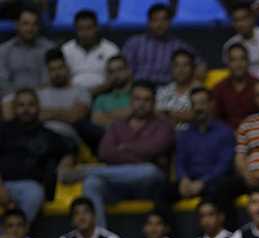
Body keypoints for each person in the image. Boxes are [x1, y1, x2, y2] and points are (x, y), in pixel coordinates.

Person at [82, 81, 174, 227]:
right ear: (131, 101)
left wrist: (123, 148)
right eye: (137, 99)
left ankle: (91, 171)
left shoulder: (163, 126)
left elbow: (154, 149)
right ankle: (102, 236)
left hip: (148, 186)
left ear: (154, 102)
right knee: (91, 183)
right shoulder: (117, 125)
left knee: (149, 170)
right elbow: (105, 152)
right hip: (118, 185)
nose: (141, 104)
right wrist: (136, 153)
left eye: (146, 100)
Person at [0, 88, 76, 224]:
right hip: (2, 182)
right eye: (21, 105)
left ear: (38, 107)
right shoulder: (3, 130)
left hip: (28, 187)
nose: (26, 109)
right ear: (14, 108)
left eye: (30, 105)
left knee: (35, 193)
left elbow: (70, 148)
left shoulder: (47, 135)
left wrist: (66, 162)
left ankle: (11, 236)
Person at [174, 87, 235, 201]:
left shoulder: (225, 132)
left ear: (211, 104)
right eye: (194, 104)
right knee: (162, 191)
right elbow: (180, 160)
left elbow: (224, 165)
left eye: (202, 103)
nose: (198, 108)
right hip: (190, 181)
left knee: (219, 189)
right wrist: (183, 179)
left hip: (213, 181)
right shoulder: (185, 134)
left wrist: (203, 182)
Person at [121, 3, 200, 86]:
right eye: (155, 20)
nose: (160, 24)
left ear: (170, 22)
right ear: (149, 22)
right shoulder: (135, 43)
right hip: (139, 90)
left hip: (166, 92)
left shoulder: (179, 46)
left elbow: (199, 64)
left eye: (164, 20)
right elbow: (122, 69)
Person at [61, 9, 120, 95]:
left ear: (97, 28)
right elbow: (61, 78)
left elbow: (115, 78)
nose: (85, 33)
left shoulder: (111, 49)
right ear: (75, 29)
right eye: (80, 29)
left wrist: (91, 94)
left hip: (103, 94)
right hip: (72, 96)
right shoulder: (66, 49)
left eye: (89, 28)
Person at [0, 6, 53, 98]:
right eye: (25, 24)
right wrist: (20, 97)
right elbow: (3, 82)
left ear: (39, 27)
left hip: (42, 97)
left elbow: (49, 81)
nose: (30, 29)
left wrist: (33, 97)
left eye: (34, 24)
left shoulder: (49, 49)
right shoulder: (4, 50)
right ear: (17, 25)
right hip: (12, 99)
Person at [212, 43, 258, 131]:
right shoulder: (219, 89)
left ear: (248, 61)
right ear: (227, 63)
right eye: (233, 60)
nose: (238, 64)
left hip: (255, 136)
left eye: (242, 59)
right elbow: (215, 120)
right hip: (227, 138)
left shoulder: (258, 86)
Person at [155, 49, 200, 129]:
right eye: (176, 65)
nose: (180, 69)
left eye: (185, 65)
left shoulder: (201, 91)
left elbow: (198, 115)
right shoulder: (162, 91)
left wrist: (167, 113)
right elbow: (155, 114)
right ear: (171, 68)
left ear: (193, 68)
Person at [91, 55, 133, 128]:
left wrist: (108, 114)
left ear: (128, 70)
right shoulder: (101, 99)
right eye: (111, 72)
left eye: (120, 69)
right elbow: (97, 120)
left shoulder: (139, 94)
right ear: (107, 75)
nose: (116, 74)